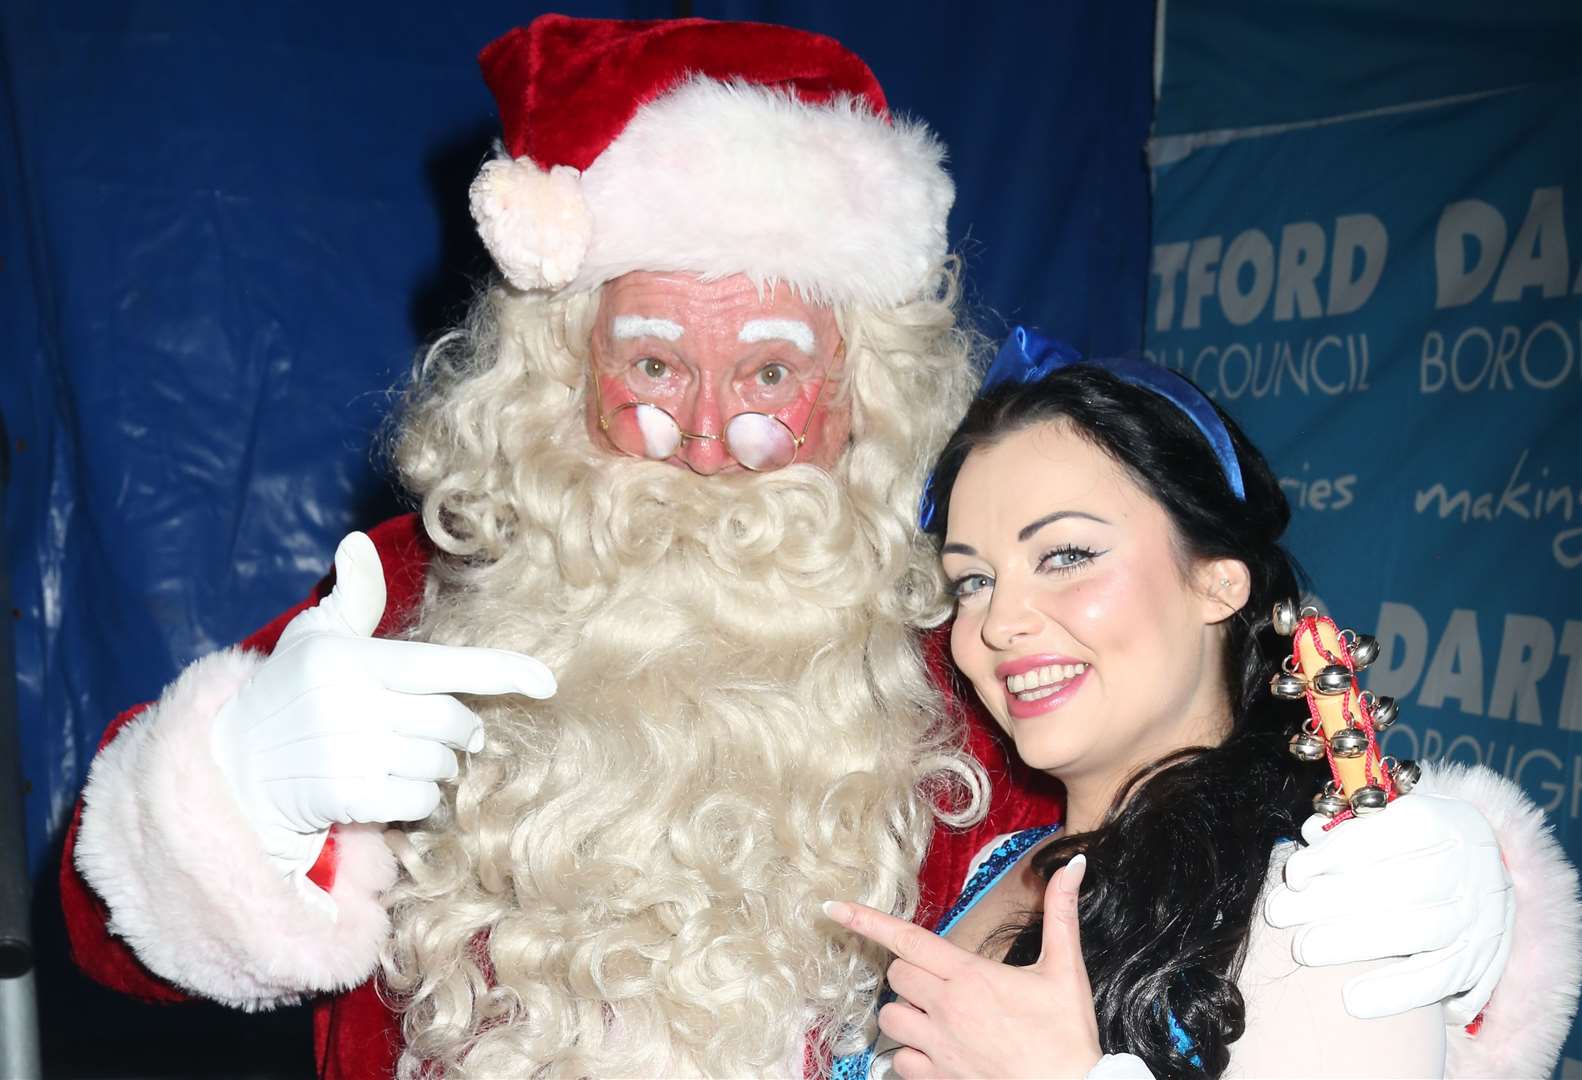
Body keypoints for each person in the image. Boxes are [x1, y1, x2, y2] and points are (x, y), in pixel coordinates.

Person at [58, 16, 1563, 1080]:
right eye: (652, 365)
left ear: (864, 383)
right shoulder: (412, 601)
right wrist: (245, 786)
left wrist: (1464, 921)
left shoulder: (966, 636)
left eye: (770, 372)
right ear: (557, 370)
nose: (710, 435)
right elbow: (113, 934)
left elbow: (1234, 814)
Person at [826, 328, 1582, 1079]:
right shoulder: (1001, 863)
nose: (997, 623)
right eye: (974, 580)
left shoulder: (1330, 895)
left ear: (1218, 581)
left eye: (1065, 556)